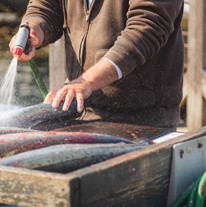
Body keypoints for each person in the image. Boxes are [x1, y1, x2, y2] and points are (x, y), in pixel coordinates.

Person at [9, 0, 184, 128]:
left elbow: (145, 30)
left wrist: (86, 82)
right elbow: (45, 7)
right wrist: (33, 30)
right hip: (77, 110)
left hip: (142, 119)